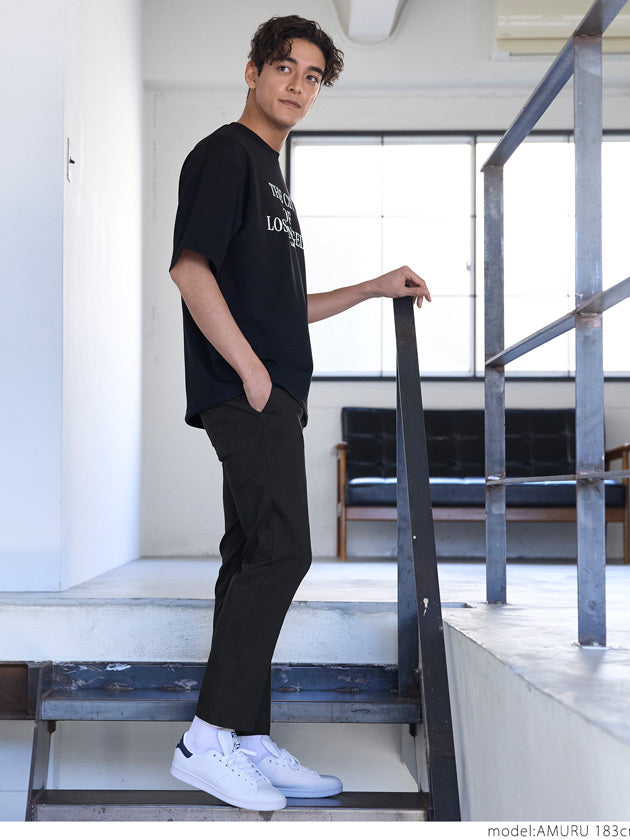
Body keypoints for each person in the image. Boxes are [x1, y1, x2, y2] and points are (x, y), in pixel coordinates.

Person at [168, 14, 430, 812]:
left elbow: (283, 305)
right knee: (285, 552)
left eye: (313, 76)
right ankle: (206, 739)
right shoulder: (225, 155)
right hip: (248, 391)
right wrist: (251, 373)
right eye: (285, 67)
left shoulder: (275, 180)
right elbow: (190, 270)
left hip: (271, 391)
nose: (298, 85)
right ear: (253, 71)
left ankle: (246, 738)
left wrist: (372, 287)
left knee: (251, 556)